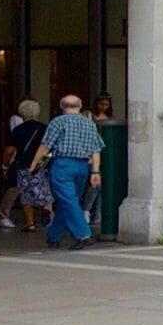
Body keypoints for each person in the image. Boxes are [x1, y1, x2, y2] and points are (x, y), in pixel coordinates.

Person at [37, 92, 106, 249]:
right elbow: (96, 149)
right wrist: (95, 172)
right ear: (80, 106)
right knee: (69, 201)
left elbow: (45, 147)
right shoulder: (90, 124)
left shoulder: (57, 122)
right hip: (82, 166)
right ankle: (53, 236)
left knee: (68, 201)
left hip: (62, 165)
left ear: (61, 106)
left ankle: (83, 234)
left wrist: (34, 165)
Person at [3, 100, 50, 235]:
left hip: (23, 164)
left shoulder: (19, 129)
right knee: (42, 190)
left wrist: (5, 165)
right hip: (40, 164)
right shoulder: (44, 128)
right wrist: (43, 163)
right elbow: (50, 148)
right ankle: (45, 209)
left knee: (26, 195)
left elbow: (9, 150)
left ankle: (30, 224)